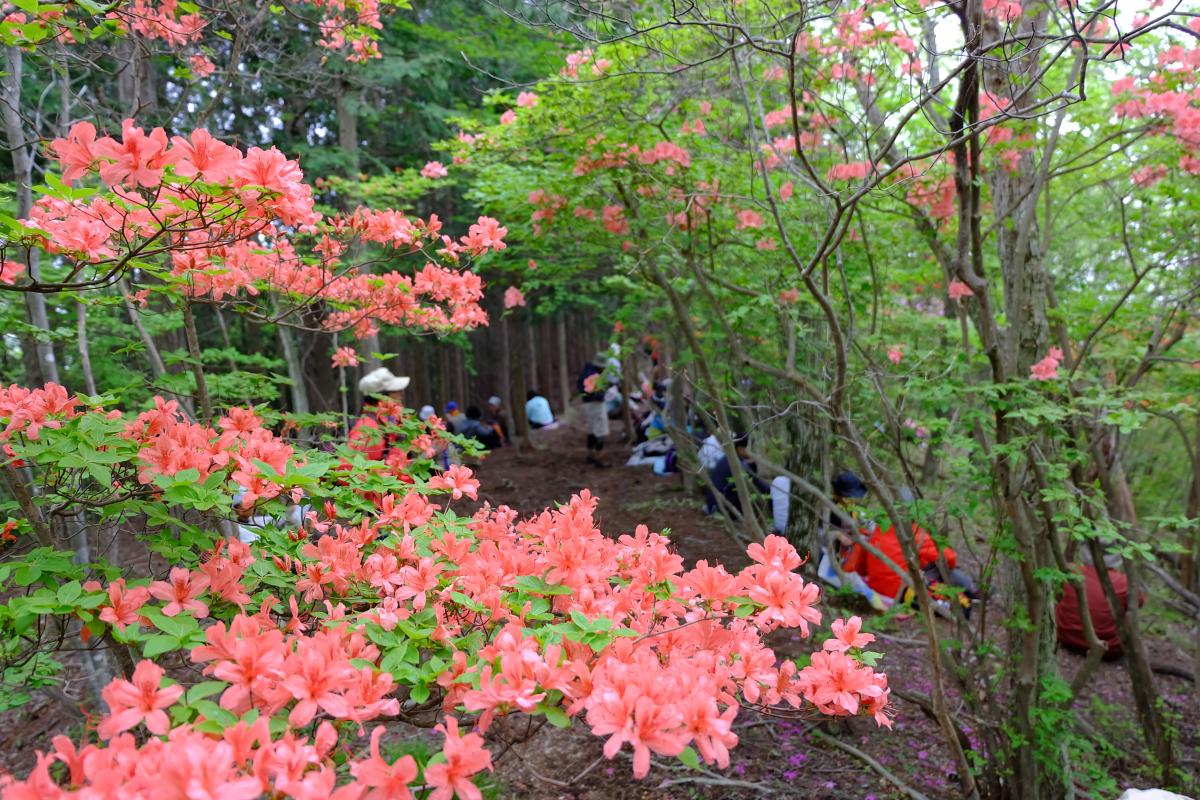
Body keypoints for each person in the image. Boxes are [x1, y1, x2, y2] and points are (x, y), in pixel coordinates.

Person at [1055, 551, 1142, 658]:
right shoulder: (1125, 582)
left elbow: (1057, 597)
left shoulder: (1070, 571)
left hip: (1067, 640)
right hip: (1110, 649)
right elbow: (1137, 604)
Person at [349, 367, 410, 462]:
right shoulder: (367, 427)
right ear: (381, 396)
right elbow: (354, 468)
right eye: (397, 390)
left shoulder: (389, 420)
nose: (402, 393)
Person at [577, 352, 611, 466]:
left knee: (591, 430)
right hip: (596, 404)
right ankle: (599, 458)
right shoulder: (594, 376)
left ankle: (590, 455)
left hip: (586, 404)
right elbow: (597, 392)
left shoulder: (585, 372)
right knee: (600, 431)